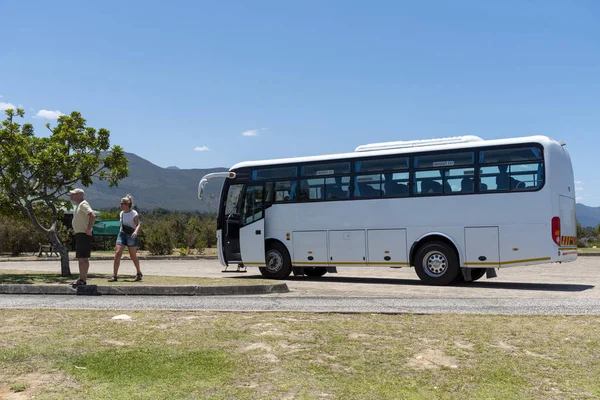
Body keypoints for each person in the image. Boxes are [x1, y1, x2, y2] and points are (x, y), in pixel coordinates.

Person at [109, 194, 143, 282]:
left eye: (122, 203)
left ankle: (139, 272)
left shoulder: (133, 213)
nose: (120, 205)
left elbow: (138, 224)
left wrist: (135, 232)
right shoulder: (121, 213)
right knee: (117, 253)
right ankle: (114, 275)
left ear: (127, 204)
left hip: (131, 235)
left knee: (133, 255)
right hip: (122, 234)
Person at [69, 188, 96, 287]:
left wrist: (88, 229)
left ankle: (82, 278)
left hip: (84, 234)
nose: (71, 196)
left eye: (73, 194)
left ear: (80, 195)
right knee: (83, 257)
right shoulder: (79, 205)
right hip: (80, 234)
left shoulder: (83, 204)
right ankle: (82, 277)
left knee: (82, 258)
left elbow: (92, 215)